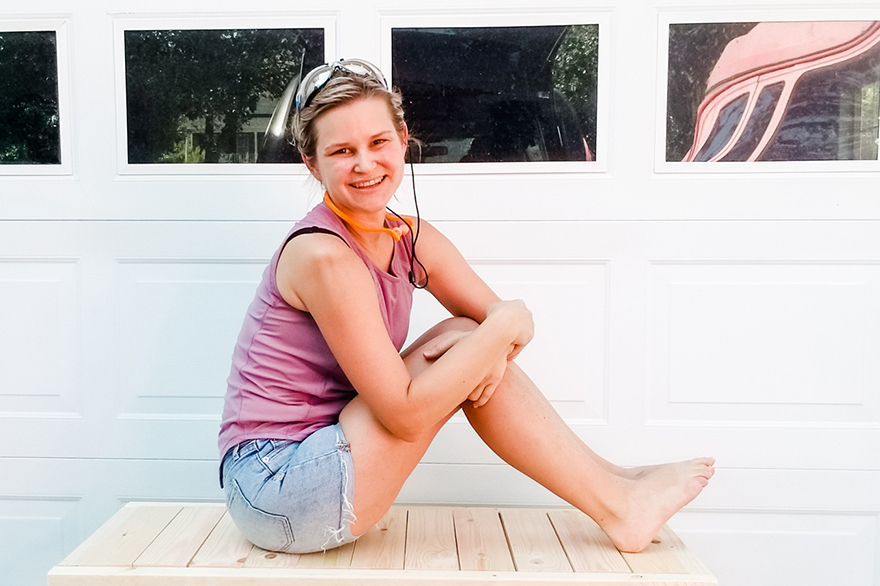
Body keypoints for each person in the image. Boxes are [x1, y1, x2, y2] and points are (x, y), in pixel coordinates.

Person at [219, 59, 714, 555]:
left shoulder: (409, 237)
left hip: (328, 452)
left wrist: (498, 329)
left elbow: (501, 331)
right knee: (466, 339)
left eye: (378, 143)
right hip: (275, 486)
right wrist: (506, 321)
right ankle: (619, 505)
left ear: (402, 138)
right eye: (343, 151)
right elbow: (408, 416)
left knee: (464, 334)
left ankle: (615, 483)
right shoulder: (322, 255)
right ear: (313, 163)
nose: (365, 165)